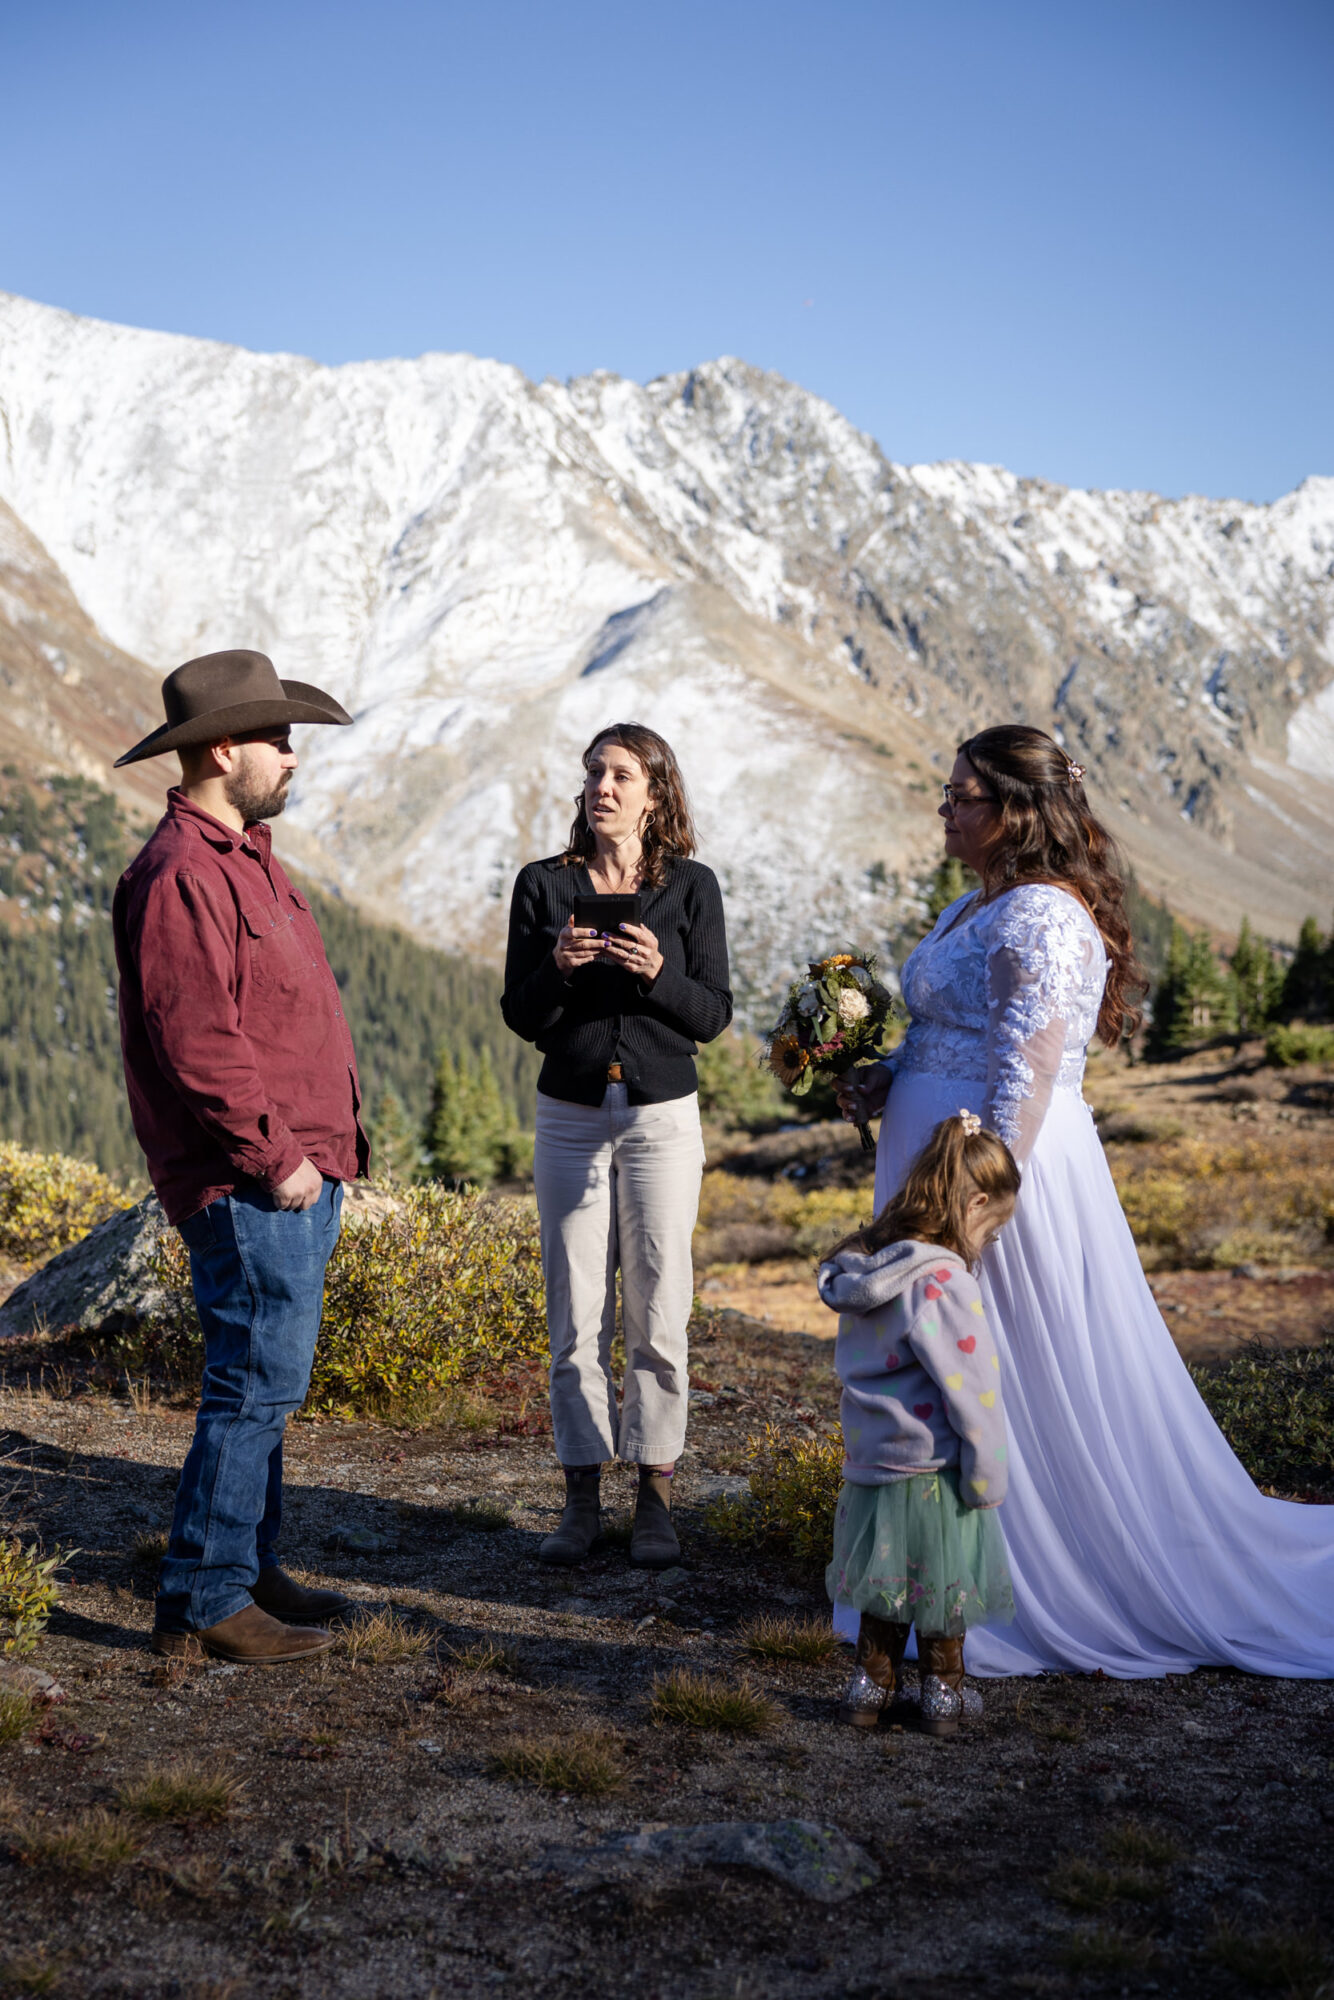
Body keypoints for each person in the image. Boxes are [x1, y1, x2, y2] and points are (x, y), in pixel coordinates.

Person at [836, 723, 1334, 1678]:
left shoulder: (1042, 917)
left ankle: (1030, 1578)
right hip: (932, 1163)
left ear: (1015, 812)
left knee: (998, 1362)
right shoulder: (969, 909)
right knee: (942, 1370)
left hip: (986, 1179)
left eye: (961, 797)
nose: (944, 810)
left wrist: (969, 1210)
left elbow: (1023, 1071)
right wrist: (887, 1076)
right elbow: (955, 1036)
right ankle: (932, 1574)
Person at [113, 649, 369, 1664]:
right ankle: (206, 1596)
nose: (292, 757)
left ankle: (248, 1567)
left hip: (296, 1168)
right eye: (278, 739)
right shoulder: (180, 874)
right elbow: (198, 1040)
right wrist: (276, 1157)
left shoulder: (245, 857)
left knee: (268, 1378)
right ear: (224, 749)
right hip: (254, 1178)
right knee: (254, 1382)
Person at [501, 723, 732, 1569]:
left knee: (660, 1305)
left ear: (655, 793)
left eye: (622, 775)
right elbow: (521, 1016)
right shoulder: (543, 886)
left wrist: (656, 974)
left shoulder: (692, 889)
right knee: (573, 1310)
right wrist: (558, 969)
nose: (603, 786)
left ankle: (656, 1498)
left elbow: (710, 1015)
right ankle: (580, 1500)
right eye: (594, 772)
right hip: (568, 1113)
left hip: (661, 1117)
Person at [820, 1112, 1019, 1734]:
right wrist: (986, 1468)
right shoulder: (943, 1283)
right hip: (932, 1464)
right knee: (943, 1584)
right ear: (976, 1201)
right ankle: (944, 1696)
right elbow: (973, 1388)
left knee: (884, 1585)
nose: (989, 1243)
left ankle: (868, 1690)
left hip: (874, 1459)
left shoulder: (867, 1272)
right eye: (992, 1229)